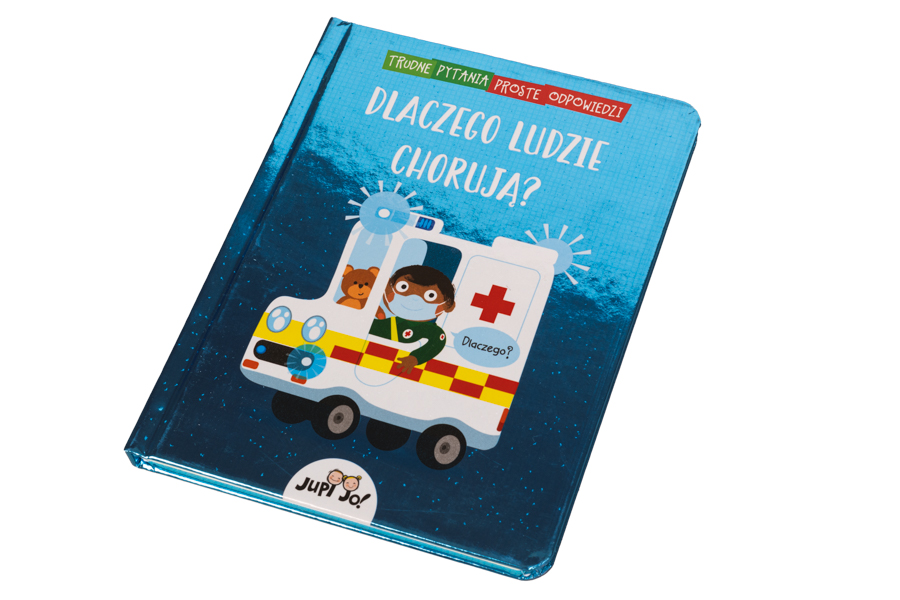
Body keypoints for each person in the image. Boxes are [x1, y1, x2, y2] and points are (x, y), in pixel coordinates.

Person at [370, 265, 456, 374]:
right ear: (387, 288)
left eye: (430, 296)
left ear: (448, 305)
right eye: (403, 287)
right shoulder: (387, 323)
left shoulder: (430, 330)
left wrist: (415, 358)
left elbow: (437, 341)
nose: (414, 299)